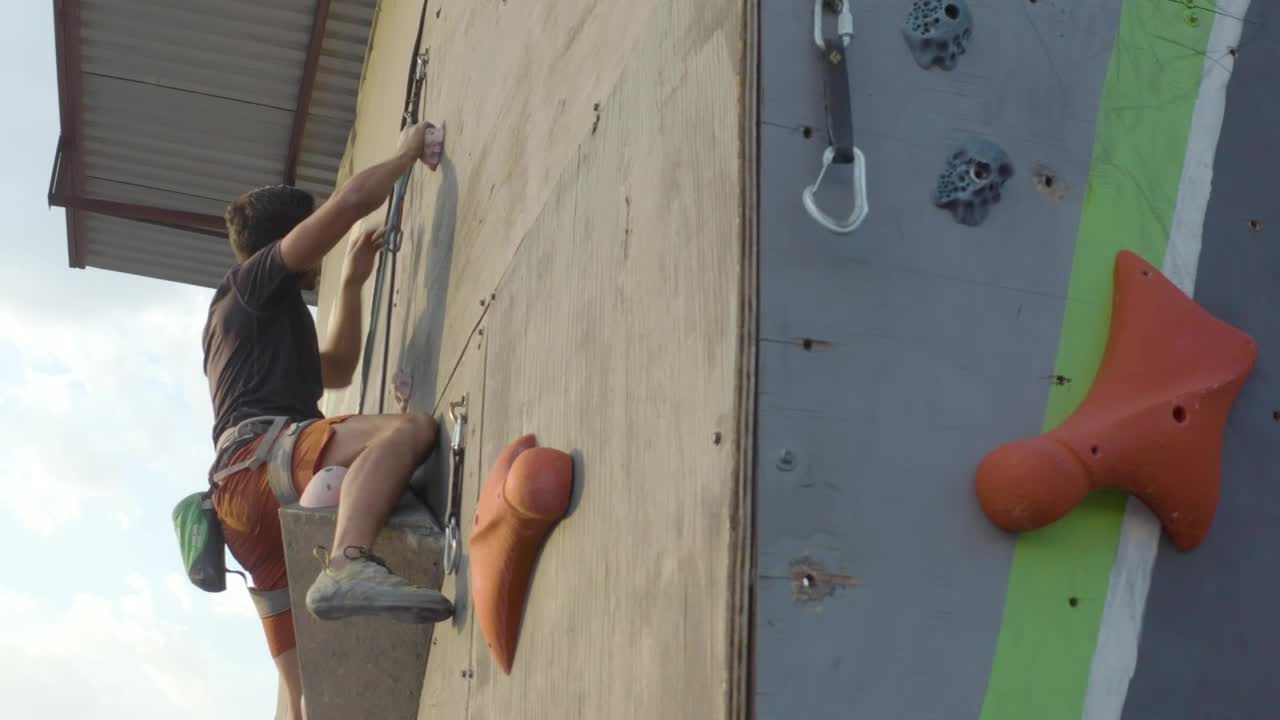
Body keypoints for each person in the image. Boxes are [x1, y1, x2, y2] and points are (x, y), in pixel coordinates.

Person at [202, 121, 451, 720]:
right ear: (288, 239)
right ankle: (347, 563)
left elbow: (336, 367)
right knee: (408, 432)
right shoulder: (253, 281)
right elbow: (350, 204)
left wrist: (351, 285)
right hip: (268, 463)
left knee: (304, 692)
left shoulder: (251, 322)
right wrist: (406, 152)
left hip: (241, 508)